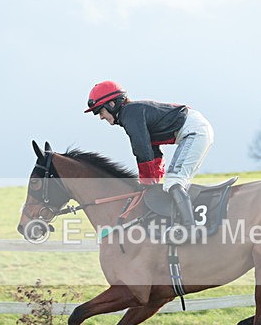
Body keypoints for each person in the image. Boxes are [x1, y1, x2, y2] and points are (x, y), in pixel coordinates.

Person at [84, 80, 214, 244]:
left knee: (174, 181)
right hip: (193, 129)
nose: (101, 117)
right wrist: (152, 183)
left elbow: (142, 151)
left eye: (100, 111)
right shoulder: (132, 114)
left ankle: (189, 229)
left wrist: (147, 182)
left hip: (195, 131)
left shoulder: (129, 114)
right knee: (170, 181)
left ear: (112, 104)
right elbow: (153, 151)